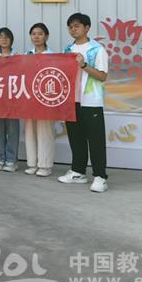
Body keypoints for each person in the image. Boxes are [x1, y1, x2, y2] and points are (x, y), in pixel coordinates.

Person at [58, 13, 110, 193]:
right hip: (72, 100)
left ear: (87, 28)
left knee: (95, 140)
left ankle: (100, 176)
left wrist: (84, 65)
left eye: (77, 26)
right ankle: (78, 171)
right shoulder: (68, 49)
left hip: (91, 101)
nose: (73, 29)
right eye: (70, 26)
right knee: (76, 138)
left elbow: (102, 76)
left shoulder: (97, 49)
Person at [23, 23, 56, 177]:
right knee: (30, 131)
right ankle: (32, 163)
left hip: (45, 98)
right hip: (29, 98)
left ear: (46, 36)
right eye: (33, 34)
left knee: (45, 131)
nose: (36, 37)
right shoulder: (26, 55)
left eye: (40, 33)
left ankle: (45, 165)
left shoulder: (53, 56)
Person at [0, 27, 19, 172]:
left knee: (12, 130)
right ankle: (1, 158)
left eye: (7, 37)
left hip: (13, 99)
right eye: (1, 36)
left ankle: (12, 160)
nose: (4, 39)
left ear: (11, 40)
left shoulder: (17, 57)